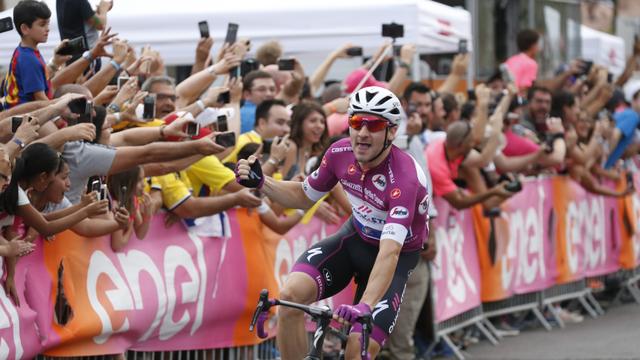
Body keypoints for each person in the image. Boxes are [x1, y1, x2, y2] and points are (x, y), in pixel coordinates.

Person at [236, 86, 430, 359]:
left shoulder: (405, 179)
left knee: (356, 348)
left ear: (392, 132)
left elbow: (390, 252)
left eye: (373, 125)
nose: (362, 133)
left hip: (392, 260)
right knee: (290, 298)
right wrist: (262, 182)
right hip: (354, 239)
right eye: (356, 122)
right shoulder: (339, 153)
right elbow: (303, 196)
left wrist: (365, 305)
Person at [2, 0, 53, 108]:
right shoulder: (28, 59)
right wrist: (60, 120)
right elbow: (40, 98)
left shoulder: (24, 51)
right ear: (25, 29)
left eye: (48, 23)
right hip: (27, 114)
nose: (47, 29)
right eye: (42, 24)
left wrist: (56, 63)